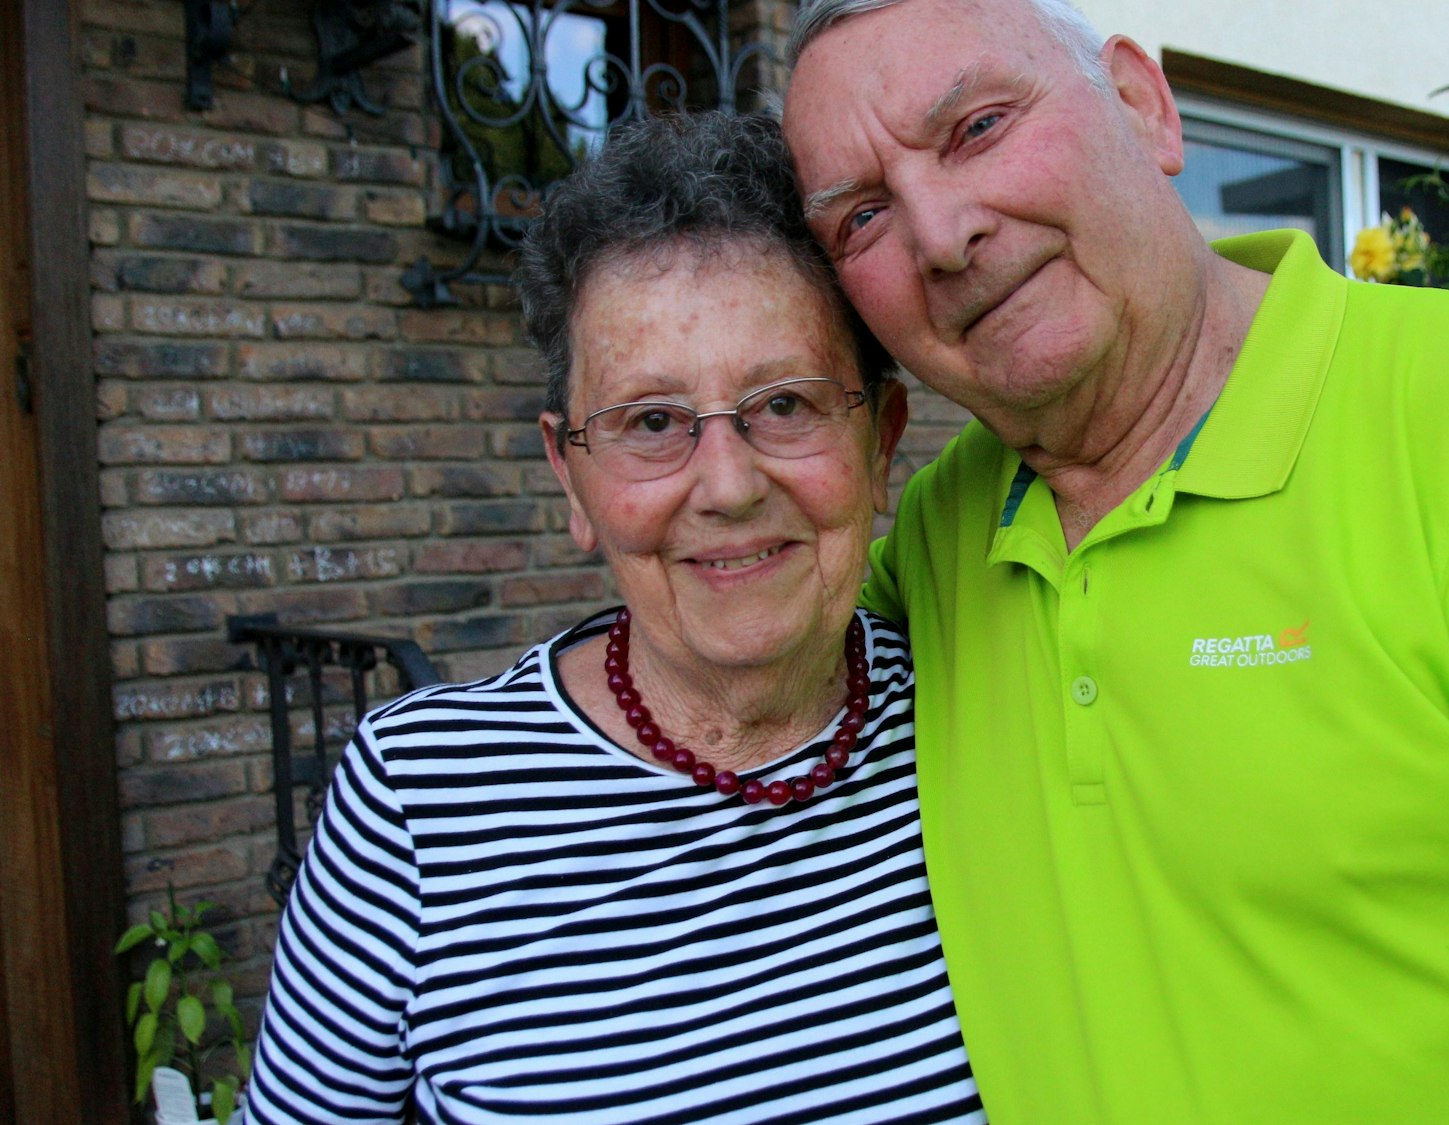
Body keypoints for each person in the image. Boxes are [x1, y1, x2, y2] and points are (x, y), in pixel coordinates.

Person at [780, 0, 1449, 1120]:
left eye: (978, 128)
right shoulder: (937, 545)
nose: (940, 234)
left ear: (1143, 106)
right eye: (862, 217)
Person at [239, 112, 985, 1124]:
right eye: (650, 421)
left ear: (881, 441)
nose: (727, 486)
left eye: (784, 404)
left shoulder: (987, 704)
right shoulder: (418, 804)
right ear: (570, 474)